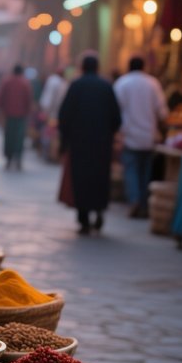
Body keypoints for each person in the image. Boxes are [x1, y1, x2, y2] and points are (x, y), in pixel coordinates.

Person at [58, 54, 122, 235]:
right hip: (102, 143)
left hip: (80, 142)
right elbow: (116, 117)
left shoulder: (76, 85)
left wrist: (66, 138)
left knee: (81, 178)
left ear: (83, 67)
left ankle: (83, 218)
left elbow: (65, 115)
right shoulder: (106, 87)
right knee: (99, 178)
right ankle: (99, 210)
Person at [114, 56, 169, 218]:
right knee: (145, 172)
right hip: (148, 136)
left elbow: (116, 110)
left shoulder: (122, 83)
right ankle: (143, 203)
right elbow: (163, 112)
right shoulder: (153, 83)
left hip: (129, 135)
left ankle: (134, 199)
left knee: (131, 169)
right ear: (144, 67)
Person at [0, 64, 34, 170]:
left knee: (9, 137)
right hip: (21, 116)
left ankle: (8, 158)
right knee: (19, 138)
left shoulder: (6, 81)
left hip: (8, 115)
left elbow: (0, 98)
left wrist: (0, 111)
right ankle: (18, 158)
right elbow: (29, 99)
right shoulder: (25, 83)